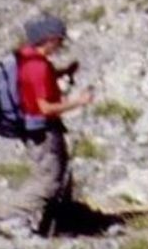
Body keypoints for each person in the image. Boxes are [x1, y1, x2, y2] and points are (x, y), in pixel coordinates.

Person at [16, 13, 95, 235]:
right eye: (59, 40)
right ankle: (11, 215)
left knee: (55, 174)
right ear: (49, 39)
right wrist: (78, 102)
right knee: (49, 179)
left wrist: (63, 72)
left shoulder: (27, 58)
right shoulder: (38, 68)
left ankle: (57, 219)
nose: (60, 45)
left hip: (36, 129)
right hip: (43, 131)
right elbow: (45, 108)